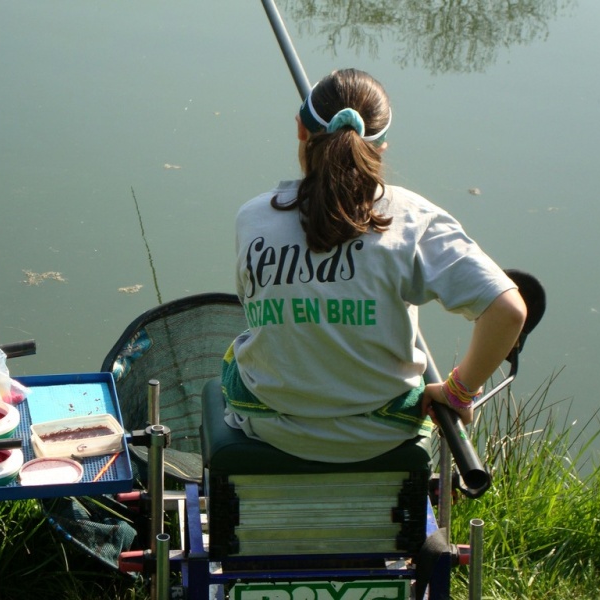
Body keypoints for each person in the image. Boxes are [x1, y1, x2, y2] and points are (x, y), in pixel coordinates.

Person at [221, 68, 527, 463]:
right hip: (383, 430)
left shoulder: (253, 218)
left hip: (271, 427)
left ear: (300, 129)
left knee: (236, 351)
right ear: (381, 147)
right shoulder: (414, 217)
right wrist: (457, 393)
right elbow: (507, 310)